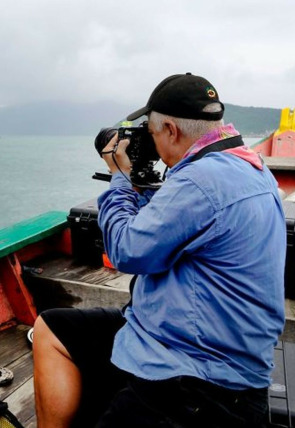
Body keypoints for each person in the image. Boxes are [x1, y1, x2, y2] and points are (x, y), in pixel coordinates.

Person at [33, 73, 286, 428]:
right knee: (54, 328)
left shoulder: (199, 181)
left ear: (170, 129)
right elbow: (184, 217)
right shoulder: (249, 168)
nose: (151, 144)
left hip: (200, 376)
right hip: (209, 343)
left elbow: (125, 250)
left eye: (151, 135)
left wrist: (120, 177)